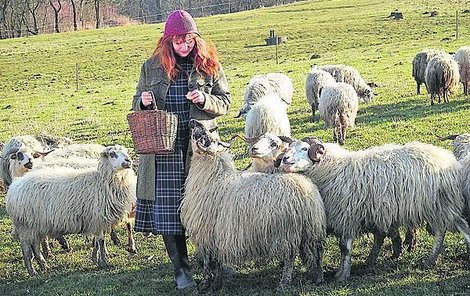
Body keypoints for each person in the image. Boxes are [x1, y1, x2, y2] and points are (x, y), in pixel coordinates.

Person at [131, 10, 231, 290]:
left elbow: (225, 102)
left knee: (207, 208)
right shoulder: (151, 67)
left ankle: (214, 261)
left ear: (196, 39)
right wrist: (145, 101)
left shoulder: (209, 65)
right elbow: (136, 102)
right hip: (165, 149)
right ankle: (181, 271)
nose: (184, 46)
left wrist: (204, 100)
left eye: (188, 41)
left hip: (201, 150)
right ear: (168, 41)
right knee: (169, 211)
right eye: (178, 41)